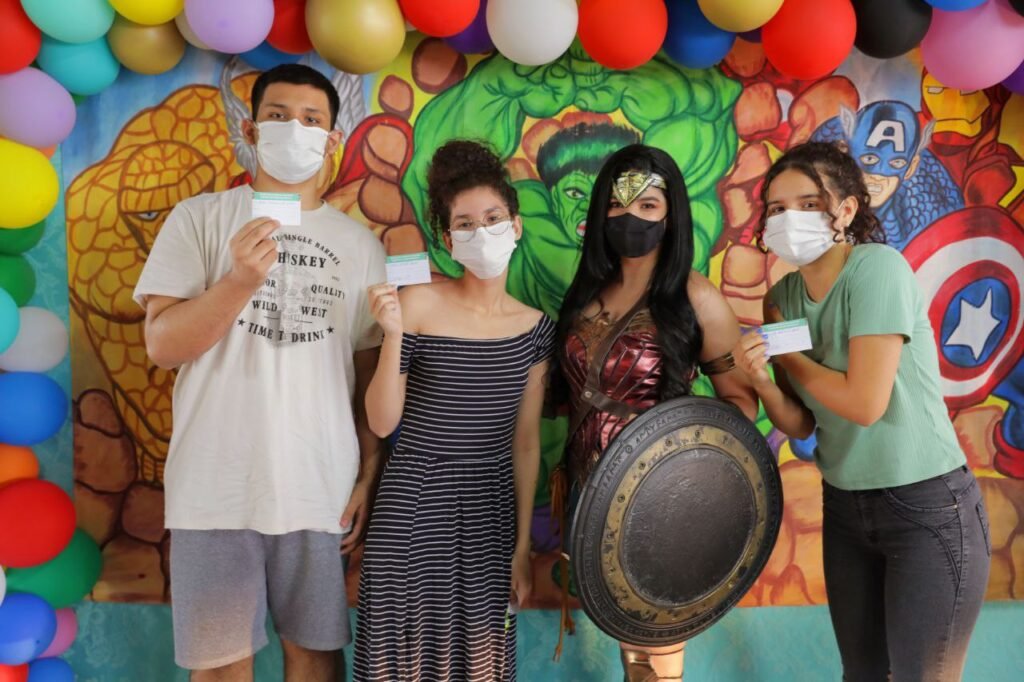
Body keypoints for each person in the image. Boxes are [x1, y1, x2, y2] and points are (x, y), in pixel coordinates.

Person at [134, 64, 385, 681]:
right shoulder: (198, 218)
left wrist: (367, 474)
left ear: (332, 140)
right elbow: (163, 345)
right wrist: (240, 280)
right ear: (250, 129)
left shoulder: (360, 246)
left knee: (316, 660)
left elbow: (367, 377)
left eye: (311, 119)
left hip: (319, 487)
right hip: (213, 490)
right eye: (278, 116)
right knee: (220, 668)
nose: (294, 129)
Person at [733, 141, 990, 682]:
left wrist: (789, 357)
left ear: (846, 209)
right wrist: (760, 380)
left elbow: (864, 404)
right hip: (846, 507)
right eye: (777, 209)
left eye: (808, 204)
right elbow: (802, 422)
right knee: (863, 674)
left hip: (926, 506)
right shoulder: (780, 299)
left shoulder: (877, 269)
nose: (789, 219)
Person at [556, 144, 759, 681]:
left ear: (671, 215)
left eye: (647, 205)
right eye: (618, 205)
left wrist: (679, 459)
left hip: (660, 498)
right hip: (587, 491)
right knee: (628, 638)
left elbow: (740, 403)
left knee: (658, 642)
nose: (631, 217)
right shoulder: (586, 293)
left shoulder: (695, 296)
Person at [353, 140, 554, 681]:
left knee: (480, 664)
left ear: (515, 225)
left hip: (489, 513)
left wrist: (521, 547)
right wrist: (393, 333)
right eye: (464, 224)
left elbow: (525, 442)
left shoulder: (536, 329)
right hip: (413, 505)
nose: (480, 232)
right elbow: (382, 422)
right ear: (447, 239)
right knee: (401, 665)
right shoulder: (417, 304)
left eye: (492, 218)